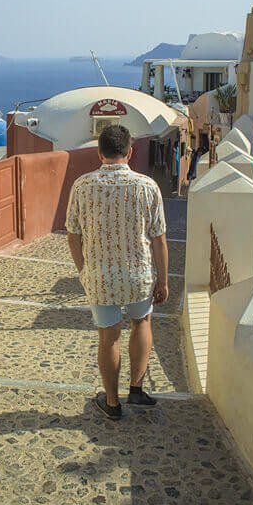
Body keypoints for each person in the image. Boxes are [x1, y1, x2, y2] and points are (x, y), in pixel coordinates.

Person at [65, 124, 168, 420]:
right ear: (130, 152)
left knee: (108, 337)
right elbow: (159, 237)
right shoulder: (147, 186)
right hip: (139, 277)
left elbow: (73, 234)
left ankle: (112, 403)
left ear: (99, 152)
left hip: (100, 278)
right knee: (141, 323)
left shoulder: (82, 186)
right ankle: (136, 388)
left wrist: (84, 270)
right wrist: (162, 279)